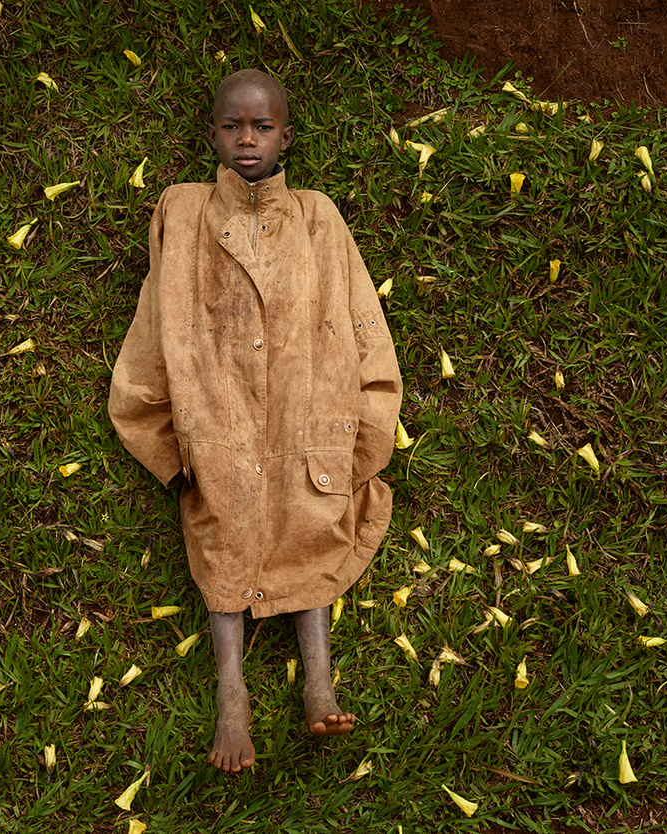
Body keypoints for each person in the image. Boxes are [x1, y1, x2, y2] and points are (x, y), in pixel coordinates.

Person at [108, 69, 403, 773]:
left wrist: (366, 421)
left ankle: (319, 680)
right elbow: (155, 323)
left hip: (312, 407)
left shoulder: (318, 215)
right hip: (216, 415)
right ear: (211, 134)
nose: (247, 140)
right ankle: (230, 697)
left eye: (262, 127)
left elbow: (364, 317)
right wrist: (165, 445)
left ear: (286, 138)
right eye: (233, 126)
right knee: (223, 532)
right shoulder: (180, 212)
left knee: (313, 518)